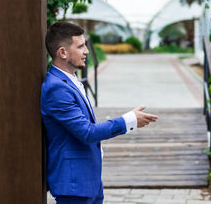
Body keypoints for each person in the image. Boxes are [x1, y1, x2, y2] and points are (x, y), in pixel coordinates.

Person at [41, 21, 157, 204]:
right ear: (62, 52)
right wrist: (128, 121)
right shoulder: (56, 89)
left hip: (89, 182)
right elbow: (86, 132)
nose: (86, 51)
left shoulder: (69, 81)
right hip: (74, 187)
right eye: (80, 46)